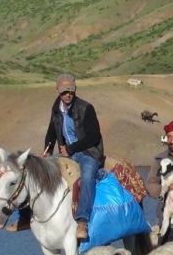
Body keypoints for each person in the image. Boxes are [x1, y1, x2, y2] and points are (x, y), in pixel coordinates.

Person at [11, 74, 104, 239]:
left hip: (88, 152)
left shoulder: (86, 108)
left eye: (70, 91)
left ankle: (82, 221)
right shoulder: (56, 109)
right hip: (66, 153)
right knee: (37, 170)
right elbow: (52, 131)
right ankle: (25, 216)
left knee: (88, 175)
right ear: (57, 90)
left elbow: (94, 136)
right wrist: (48, 149)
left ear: (75, 90)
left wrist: (71, 148)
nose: (67, 95)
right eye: (64, 92)